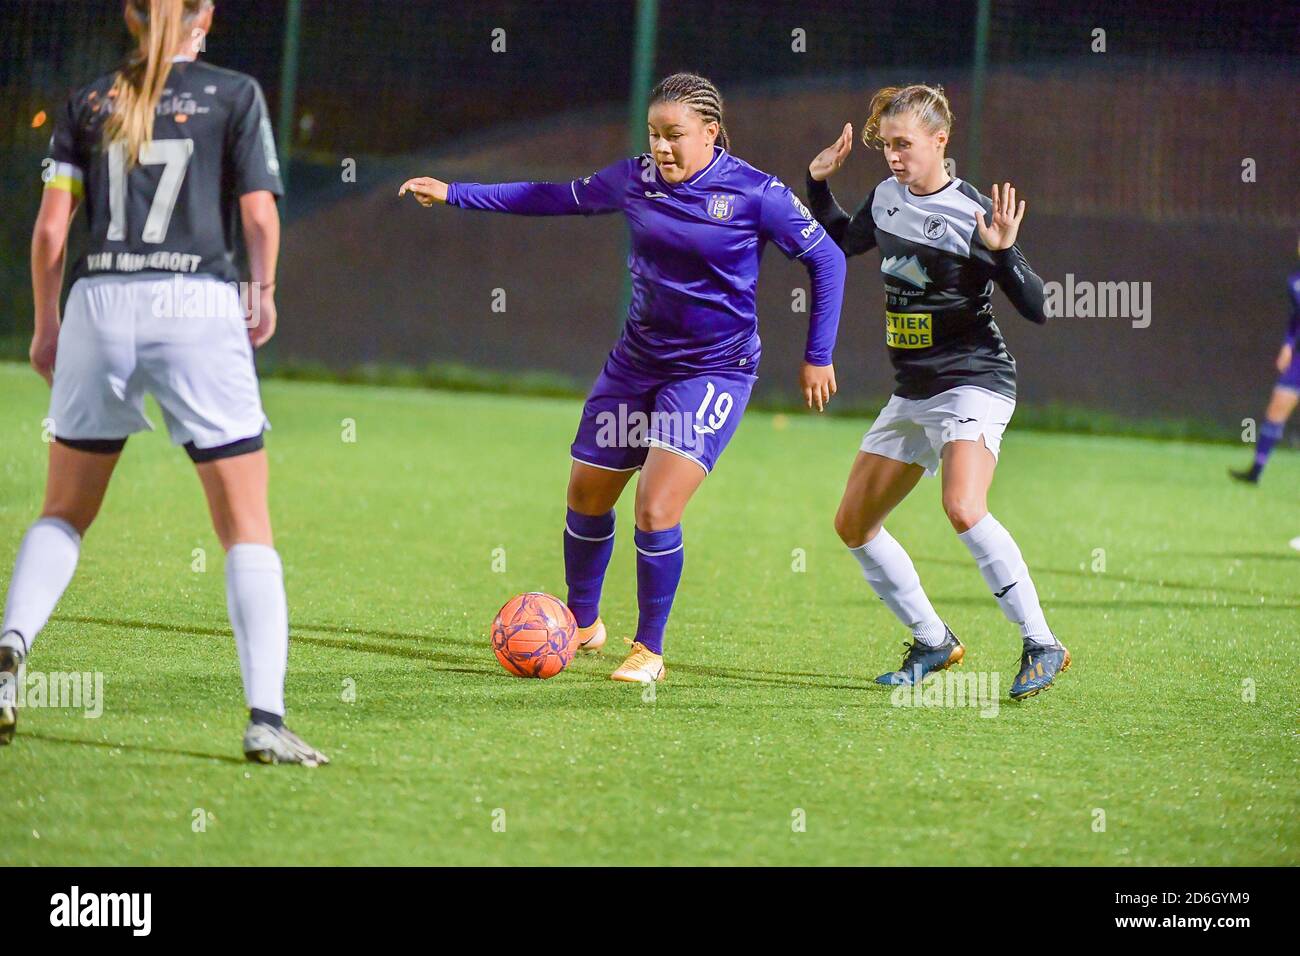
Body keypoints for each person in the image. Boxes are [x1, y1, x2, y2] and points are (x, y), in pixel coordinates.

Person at [401, 72, 846, 683]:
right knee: (586, 492)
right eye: (654, 134)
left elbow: (827, 257)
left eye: (675, 135)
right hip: (636, 364)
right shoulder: (634, 179)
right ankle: (582, 623)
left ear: (711, 133)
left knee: (656, 505)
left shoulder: (755, 193)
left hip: (714, 369)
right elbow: (549, 195)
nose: (661, 147)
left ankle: (649, 649)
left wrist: (817, 353)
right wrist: (456, 192)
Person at [0, 0, 327, 764]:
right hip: (195, 305)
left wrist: (47, 326)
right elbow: (260, 218)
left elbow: (51, 234)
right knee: (247, 524)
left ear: (132, 18)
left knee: (64, 512)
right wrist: (264, 291)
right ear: (203, 16)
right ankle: (266, 719)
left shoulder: (88, 99)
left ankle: (10, 653)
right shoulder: (234, 93)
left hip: (98, 304)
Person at [804, 84, 1067, 701]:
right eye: (887, 145)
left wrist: (1002, 256)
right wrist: (818, 186)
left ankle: (1040, 641)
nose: (893, 156)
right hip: (914, 389)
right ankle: (933, 640)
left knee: (962, 507)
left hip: (974, 378)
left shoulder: (971, 211)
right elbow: (847, 241)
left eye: (905, 144)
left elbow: (1038, 307)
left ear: (940, 141)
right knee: (853, 523)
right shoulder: (887, 198)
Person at [1230, 239, 1300, 484]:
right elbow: (1295, 318)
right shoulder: (1295, 282)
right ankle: (1255, 471)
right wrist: (1288, 346)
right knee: (1276, 408)